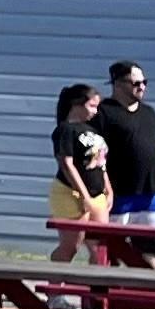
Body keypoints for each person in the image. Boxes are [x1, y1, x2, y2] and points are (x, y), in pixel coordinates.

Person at [91, 61, 155, 239]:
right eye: (136, 83)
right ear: (118, 84)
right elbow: (95, 154)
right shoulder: (103, 113)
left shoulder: (149, 112)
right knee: (115, 248)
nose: (142, 87)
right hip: (119, 196)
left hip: (152, 195)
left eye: (144, 82)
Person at [46, 83, 107, 261]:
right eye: (92, 106)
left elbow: (100, 162)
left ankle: (96, 280)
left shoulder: (92, 131)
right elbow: (67, 164)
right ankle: (52, 277)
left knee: (100, 249)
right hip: (71, 192)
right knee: (72, 246)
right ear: (76, 104)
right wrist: (84, 196)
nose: (95, 111)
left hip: (97, 194)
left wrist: (108, 189)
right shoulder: (65, 129)